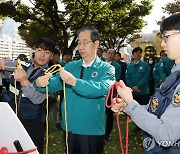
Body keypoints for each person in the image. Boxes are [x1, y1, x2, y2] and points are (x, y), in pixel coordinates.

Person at [34, 27, 115, 154]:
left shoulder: (106, 68)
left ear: (96, 43)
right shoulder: (71, 66)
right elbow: (55, 83)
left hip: (91, 131)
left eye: (85, 42)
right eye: (78, 43)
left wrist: (75, 82)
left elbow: (102, 88)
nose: (81, 47)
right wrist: (40, 83)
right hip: (69, 130)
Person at [111, 12, 180, 154]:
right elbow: (156, 110)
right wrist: (126, 106)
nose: (162, 44)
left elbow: (166, 135)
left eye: (166, 37)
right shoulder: (174, 75)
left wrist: (131, 103)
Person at [0, 37, 55, 154]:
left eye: (47, 52)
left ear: (52, 55)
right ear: (34, 51)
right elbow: (2, 64)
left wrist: (24, 82)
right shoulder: (20, 64)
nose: (42, 55)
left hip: (32, 123)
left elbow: (37, 99)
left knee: (30, 151)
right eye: (40, 50)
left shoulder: (51, 76)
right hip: (9, 118)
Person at [105, 48, 121, 141]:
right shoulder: (101, 64)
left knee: (109, 114)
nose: (110, 55)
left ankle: (107, 134)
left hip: (110, 93)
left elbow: (116, 79)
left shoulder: (117, 66)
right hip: (100, 93)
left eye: (112, 54)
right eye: (109, 53)